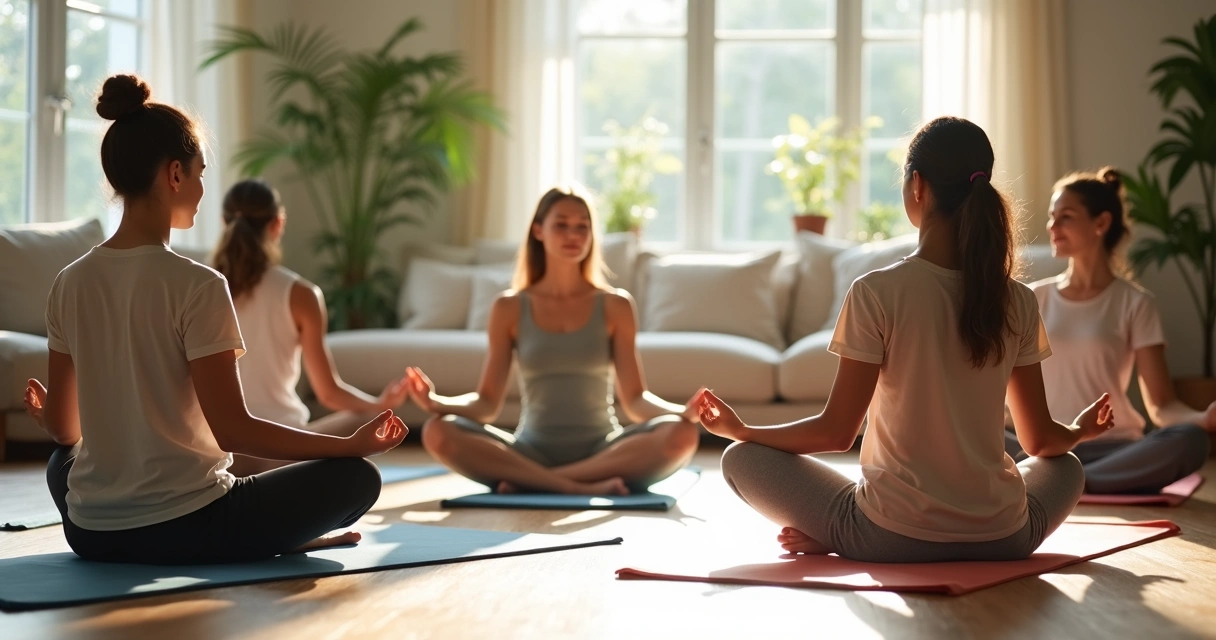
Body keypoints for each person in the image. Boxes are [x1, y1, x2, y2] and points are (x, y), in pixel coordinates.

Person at [21, 74, 405, 566]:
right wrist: (345, 445)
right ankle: (274, 539)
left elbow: (63, 431)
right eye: (201, 172)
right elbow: (233, 430)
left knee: (63, 463)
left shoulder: (67, 282)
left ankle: (261, 535)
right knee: (357, 477)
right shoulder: (199, 285)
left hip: (92, 534)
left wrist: (48, 411)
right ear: (174, 174)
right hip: (192, 527)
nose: (203, 189)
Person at [694, 116, 1113, 563]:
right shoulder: (1019, 299)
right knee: (1066, 465)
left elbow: (837, 432)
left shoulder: (876, 291)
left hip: (888, 538)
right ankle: (841, 530)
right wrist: (1081, 430)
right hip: (1003, 537)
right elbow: (1040, 443)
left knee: (739, 458)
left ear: (917, 185)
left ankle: (837, 534)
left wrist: (744, 431)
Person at [407, 185, 702, 495]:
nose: (572, 235)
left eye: (582, 227)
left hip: (604, 452)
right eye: (561, 225)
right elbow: (487, 404)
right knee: (438, 431)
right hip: (530, 450)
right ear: (538, 231)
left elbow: (635, 401)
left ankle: (539, 481)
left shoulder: (616, 305)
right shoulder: (508, 307)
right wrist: (435, 403)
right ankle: (578, 486)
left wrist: (683, 412)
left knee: (682, 434)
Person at [1003, 167, 1213, 493]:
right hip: (1044, 445)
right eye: (1051, 217)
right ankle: (1075, 482)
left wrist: (1203, 419)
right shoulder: (1032, 297)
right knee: (976, 435)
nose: (1052, 226)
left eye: (1066, 217)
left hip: (1112, 449)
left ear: (1101, 223)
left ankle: (1066, 484)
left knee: (1190, 441)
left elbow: (1161, 406)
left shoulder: (1136, 303)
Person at [211, 179, 410, 475]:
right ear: (278, 223)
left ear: (223, 222)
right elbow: (328, 392)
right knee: (370, 419)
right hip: (284, 452)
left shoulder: (199, 285)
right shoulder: (300, 294)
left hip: (218, 452)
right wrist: (380, 404)